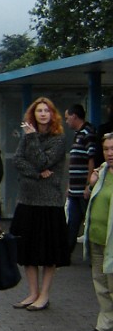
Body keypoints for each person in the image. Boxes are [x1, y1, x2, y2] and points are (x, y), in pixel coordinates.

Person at [10, 97, 68, 311]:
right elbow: (17, 160)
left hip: (49, 202)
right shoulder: (26, 137)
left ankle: (44, 295)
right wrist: (36, 174)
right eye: (39, 110)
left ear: (52, 114)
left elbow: (45, 160)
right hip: (27, 199)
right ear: (33, 115)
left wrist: (33, 138)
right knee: (27, 251)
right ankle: (32, 292)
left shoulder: (58, 138)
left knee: (48, 252)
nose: (43, 114)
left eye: (46, 110)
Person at [81, 132, 113, 331]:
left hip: (112, 242)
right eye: (106, 149)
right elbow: (88, 197)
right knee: (100, 284)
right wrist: (91, 184)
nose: (110, 153)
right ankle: (105, 325)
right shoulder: (101, 172)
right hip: (97, 238)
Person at [64, 104, 97, 261]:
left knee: (89, 221)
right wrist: (70, 184)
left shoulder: (88, 133)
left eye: (67, 117)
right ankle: (66, 254)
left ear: (74, 116)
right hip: (74, 189)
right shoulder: (78, 134)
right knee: (73, 221)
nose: (66, 121)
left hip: (83, 189)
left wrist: (88, 184)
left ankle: (94, 256)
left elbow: (92, 158)